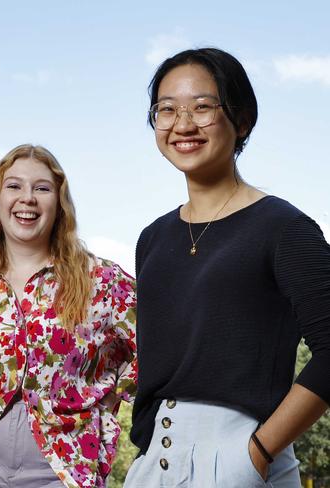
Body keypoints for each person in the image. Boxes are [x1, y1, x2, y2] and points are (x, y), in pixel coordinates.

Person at [124, 47, 330, 487]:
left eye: (202, 107)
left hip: (239, 459)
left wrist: (257, 452)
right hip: (152, 464)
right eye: (167, 110)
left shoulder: (284, 228)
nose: (183, 124)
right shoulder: (152, 239)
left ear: (242, 120)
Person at [0, 144, 137, 487]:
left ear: (59, 204)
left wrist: (107, 395)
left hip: (61, 471)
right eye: (14, 186)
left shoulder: (101, 282)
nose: (28, 198)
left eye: (42, 188)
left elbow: (160, 344)